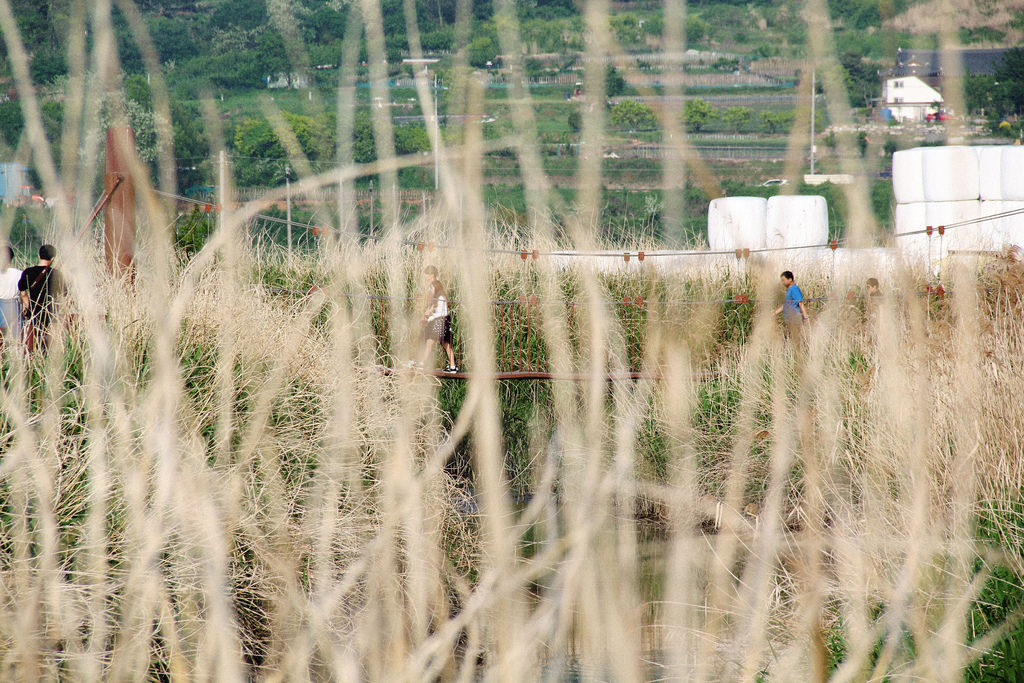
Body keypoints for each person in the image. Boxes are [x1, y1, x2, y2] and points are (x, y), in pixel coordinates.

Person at [18, 244, 64, 353]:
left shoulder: (28, 272)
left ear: (39, 256)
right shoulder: (57, 274)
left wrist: (30, 307)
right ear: (53, 259)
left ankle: (33, 360)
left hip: (34, 313)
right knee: (49, 343)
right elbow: (62, 295)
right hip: (51, 313)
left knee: (32, 341)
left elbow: (23, 293)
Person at [417, 265, 458, 372]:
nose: (425, 276)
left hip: (439, 319)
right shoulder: (438, 286)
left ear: (431, 275)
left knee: (431, 342)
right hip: (443, 318)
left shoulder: (433, 285)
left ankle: (422, 363)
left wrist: (426, 315)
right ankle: (453, 366)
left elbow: (433, 303)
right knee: (443, 343)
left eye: (426, 274)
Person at [773, 270, 808, 339]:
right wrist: (775, 313)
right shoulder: (789, 290)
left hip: (795, 320)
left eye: (783, 280)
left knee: (796, 339)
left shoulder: (794, 289)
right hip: (789, 320)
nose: (782, 282)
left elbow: (800, 303)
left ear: (790, 279)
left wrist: (805, 317)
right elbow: (786, 305)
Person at [0, 245, 22, 343]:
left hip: (1, 305)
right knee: (16, 337)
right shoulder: (20, 273)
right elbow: (24, 293)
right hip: (14, 305)